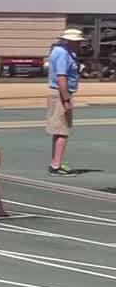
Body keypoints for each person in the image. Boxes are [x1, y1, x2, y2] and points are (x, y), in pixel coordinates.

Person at [47, 28, 83, 176]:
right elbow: (62, 78)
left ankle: (55, 161)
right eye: (78, 41)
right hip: (61, 93)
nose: (79, 44)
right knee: (63, 131)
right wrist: (66, 99)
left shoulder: (61, 51)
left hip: (58, 93)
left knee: (58, 130)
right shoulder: (63, 54)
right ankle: (56, 165)